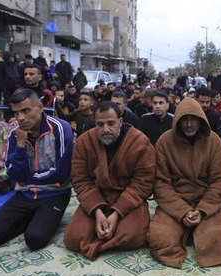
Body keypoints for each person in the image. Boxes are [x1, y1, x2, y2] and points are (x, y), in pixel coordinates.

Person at [0, 89, 73, 250]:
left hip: (55, 194)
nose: (21, 118)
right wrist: (21, 146)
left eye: (26, 111)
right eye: (16, 113)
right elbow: (14, 173)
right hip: (24, 193)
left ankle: (38, 221)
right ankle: (30, 219)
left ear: (40, 107)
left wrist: (28, 179)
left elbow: (62, 172)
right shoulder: (14, 134)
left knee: (35, 239)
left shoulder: (60, 128)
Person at [64, 101, 155, 260]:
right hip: (96, 197)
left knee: (132, 237)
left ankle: (96, 244)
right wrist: (97, 211)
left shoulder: (140, 142)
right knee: (73, 238)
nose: (105, 129)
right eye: (100, 124)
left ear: (120, 121)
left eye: (111, 123)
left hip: (128, 199)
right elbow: (81, 180)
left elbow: (142, 183)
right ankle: (104, 236)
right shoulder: (84, 141)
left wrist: (116, 214)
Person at [147, 98, 221, 268]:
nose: (189, 124)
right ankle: (184, 229)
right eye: (184, 119)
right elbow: (161, 184)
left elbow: (219, 181)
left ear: (201, 120)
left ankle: (196, 228)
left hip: (205, 201)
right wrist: (183, 211)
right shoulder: (164, 142)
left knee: (216, 243)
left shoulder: (213, 141)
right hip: (176, 201)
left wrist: (202, 210)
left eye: (193, 119)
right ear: (177, 120)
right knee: (160, 239)